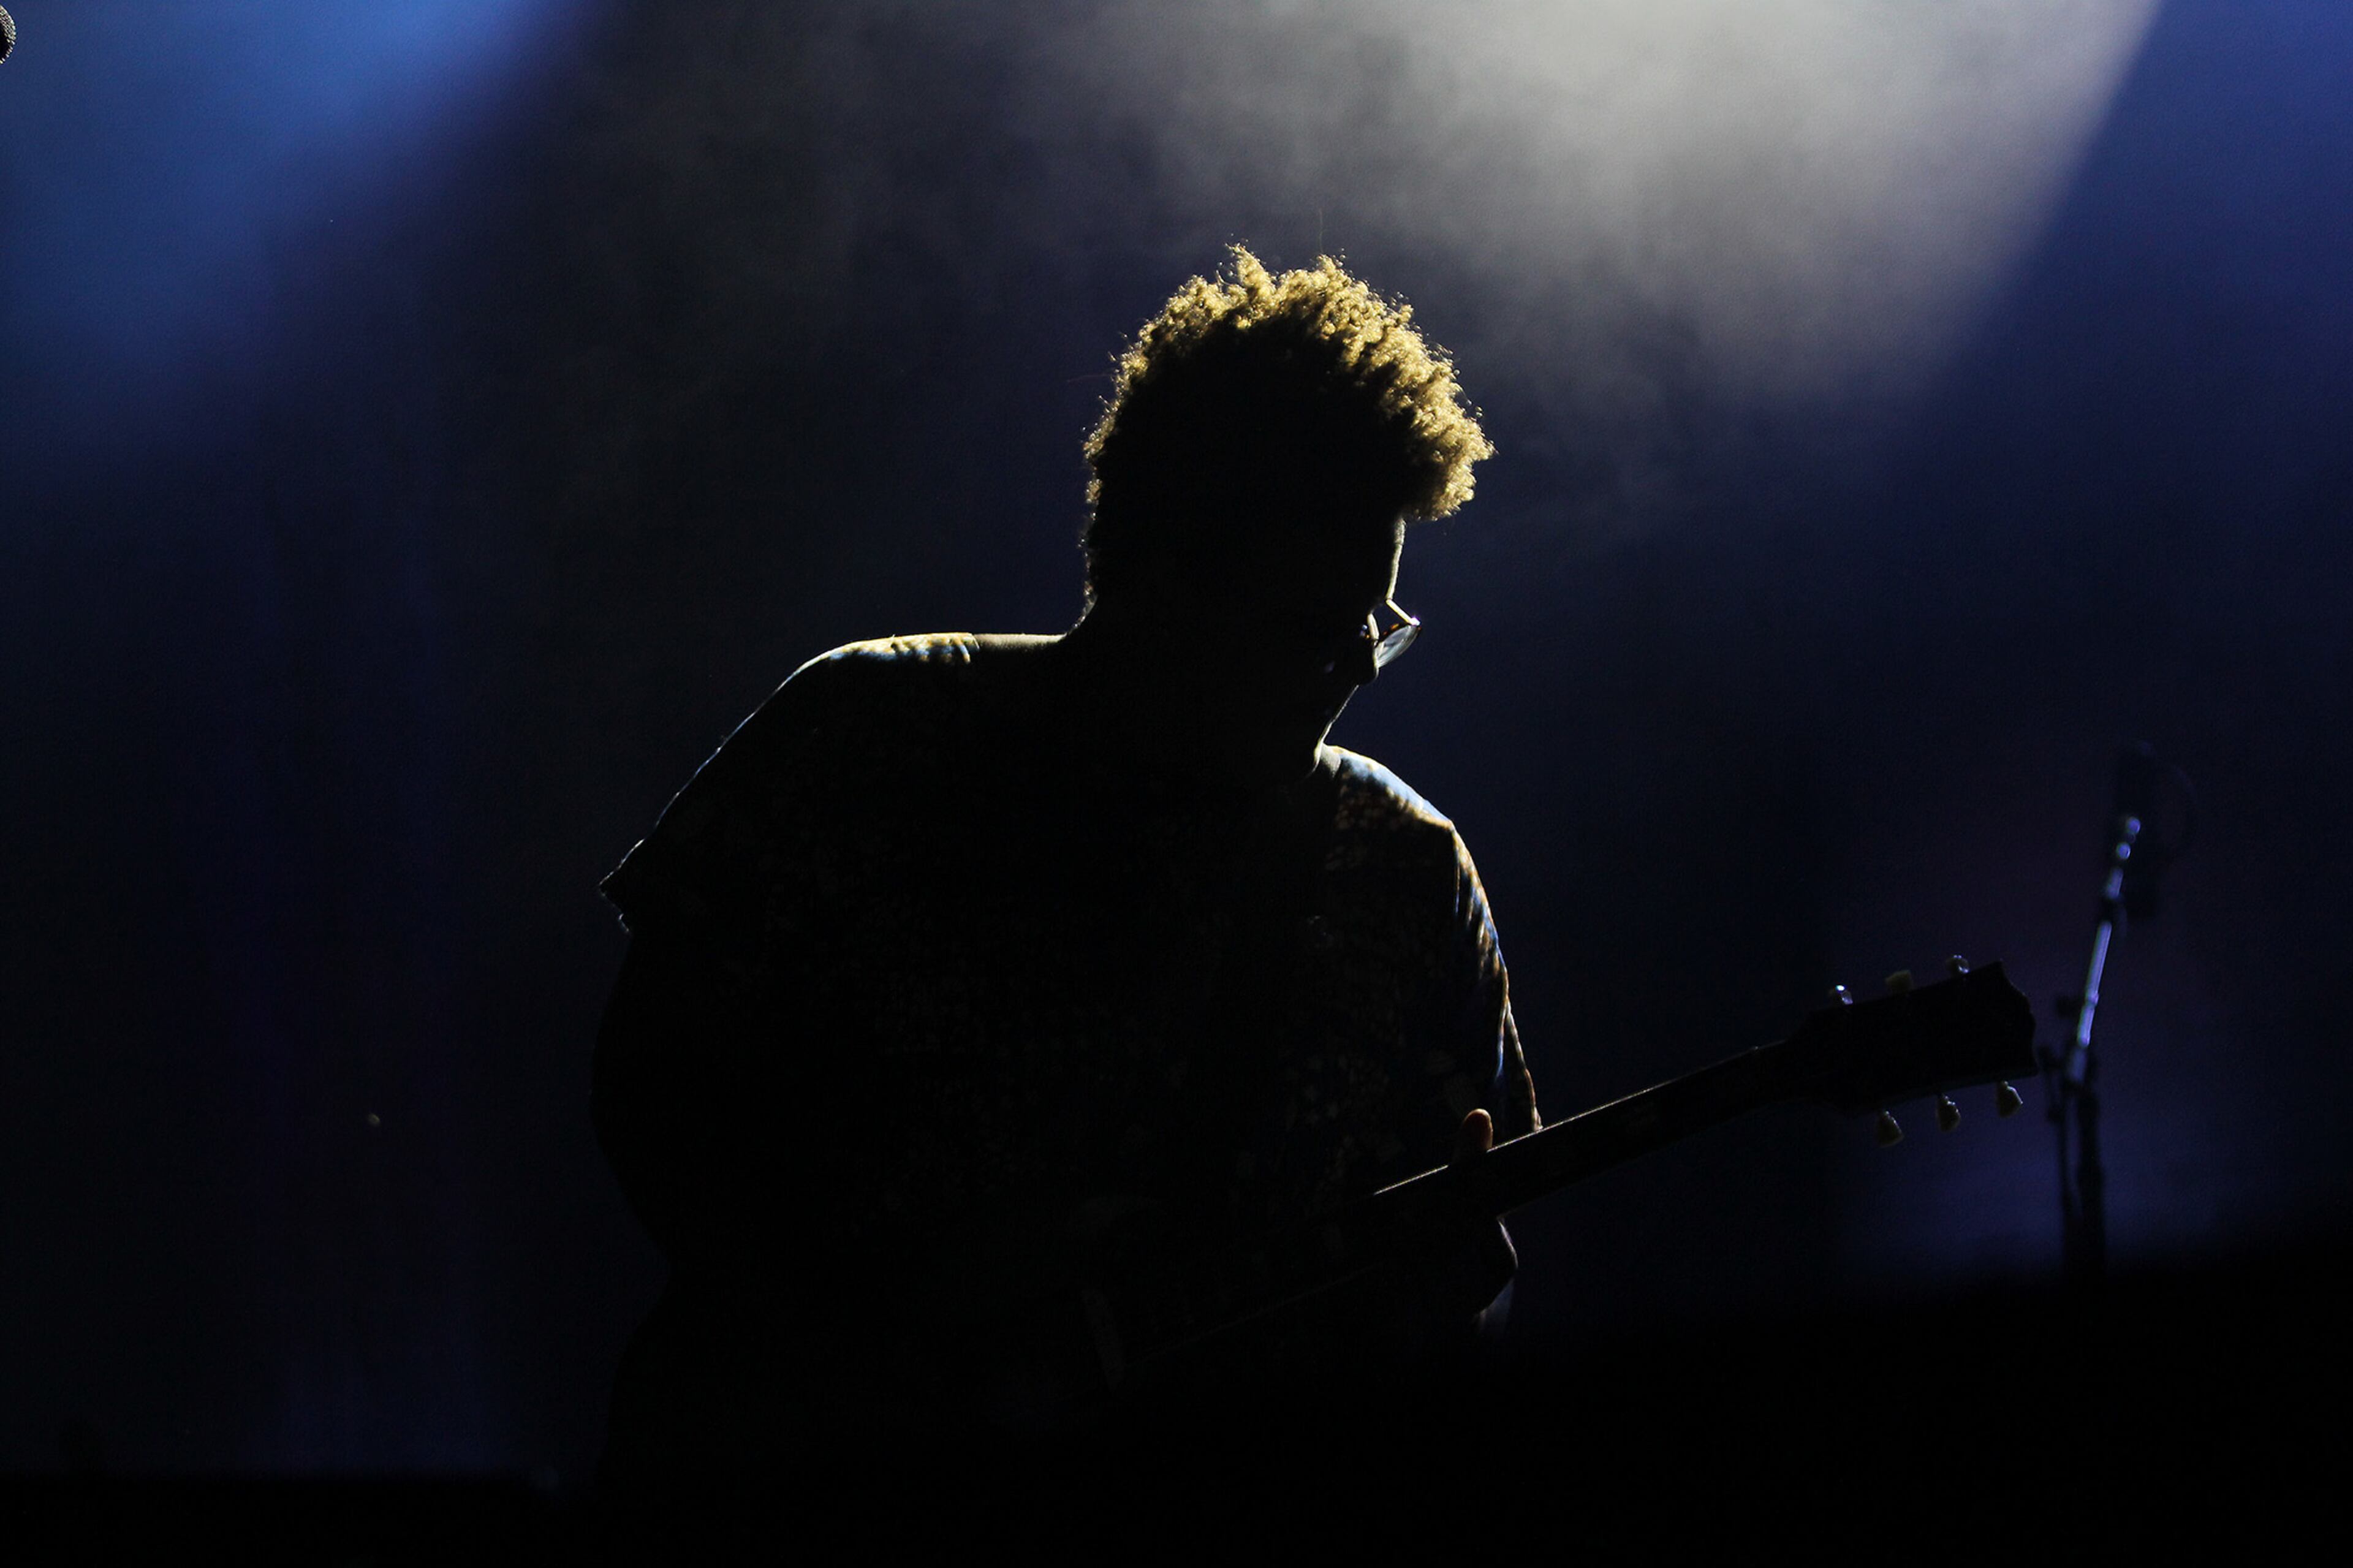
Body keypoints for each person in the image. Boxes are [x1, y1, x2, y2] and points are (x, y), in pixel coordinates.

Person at [590, 248, 1540, 1499]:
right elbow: (652, 1086)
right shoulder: (870, 732)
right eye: (1309, 625)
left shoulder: (1403, 872)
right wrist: (893, 1323)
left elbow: (1458, 1270)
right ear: (1159, 574)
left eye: (1377, 625)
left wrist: (1448, 1292)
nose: (1356, 669)